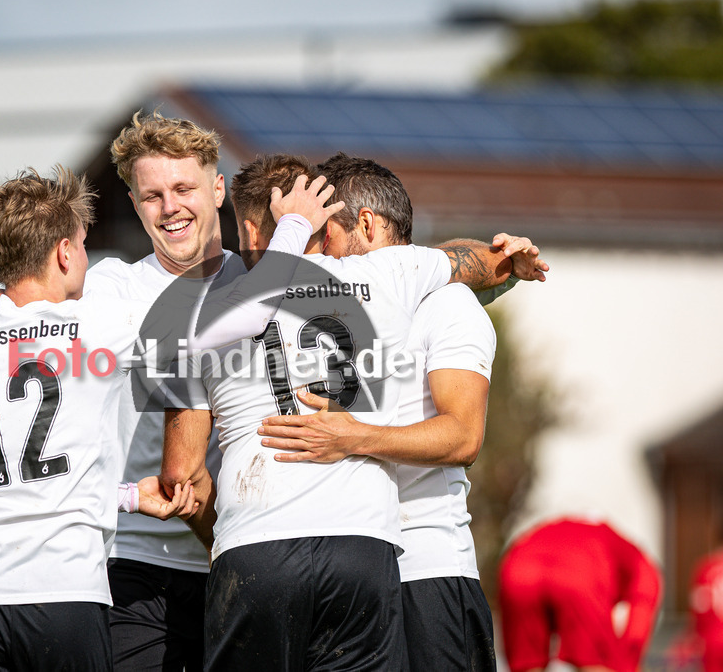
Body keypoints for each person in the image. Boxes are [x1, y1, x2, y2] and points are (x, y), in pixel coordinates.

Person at [0, 164, 338, 670]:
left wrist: (125, 496)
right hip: (62, 592)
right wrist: (293, 226)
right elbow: (247, 316)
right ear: (63, 253)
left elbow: (21, 477)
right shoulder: (97, 326)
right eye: (81, 242)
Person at [160, 154, 548, 670]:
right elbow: (470, 258)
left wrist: (352, 437)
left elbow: (462, 437)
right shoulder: (394, 275)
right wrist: (506, 262)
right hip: (368, 553)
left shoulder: (209, 304)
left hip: (407, 561)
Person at [257, 152, 503, 670]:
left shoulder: (449, 304)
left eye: (329, 236)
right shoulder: (346, 306)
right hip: (363, 567)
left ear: (365, 225)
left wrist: (353, 437)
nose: (323, 254)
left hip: (428, 573)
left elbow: (463, 438)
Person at [498, 517, 661, 672]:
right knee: (594, 662)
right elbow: (640, 619)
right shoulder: (641, 562)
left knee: (527, 665)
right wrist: (628, 663)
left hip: (518, 568)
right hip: (579, 572)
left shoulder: (565, 529)